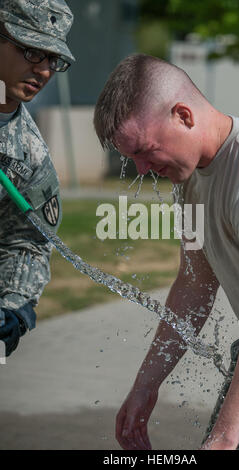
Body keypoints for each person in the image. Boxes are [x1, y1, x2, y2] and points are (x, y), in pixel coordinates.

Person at [93, 54, 239, 450]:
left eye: (145, 150)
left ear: (184, 116)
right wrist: (146, 385)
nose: (140, 170)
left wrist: (223, 440)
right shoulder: (190, 181)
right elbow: (194, 283)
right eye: (131, 157)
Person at [0, 0, 75, 358]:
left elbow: (27, 241)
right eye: (32, 52)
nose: (44, 71)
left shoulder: (29, 156)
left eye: (52, 60)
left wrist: (14, 310)